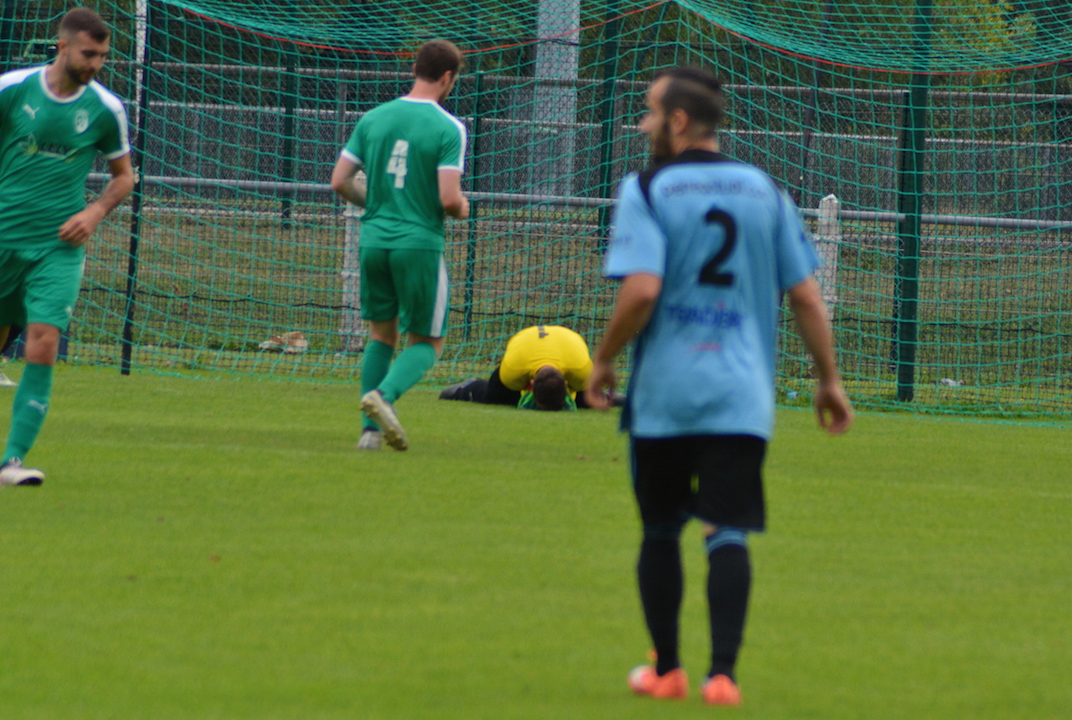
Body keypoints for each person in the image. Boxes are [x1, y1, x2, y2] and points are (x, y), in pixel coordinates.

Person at [586, 67, 853, 705]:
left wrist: (603, 359)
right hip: (741, 398)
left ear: (678, 122)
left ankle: (667, 671)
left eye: (651, 113)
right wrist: (828, 380)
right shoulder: (766, 190)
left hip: (666, 395)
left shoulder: (646, 188)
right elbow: (806, 297)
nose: (643, 125)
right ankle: (723, 678)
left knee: (660, 531)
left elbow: (642, 289)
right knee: (726, 532)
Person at [0, 8, 134, 487]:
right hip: (3, 237)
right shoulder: (12, 89)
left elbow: (124, 177)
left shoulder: (106, 108)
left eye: (103, 56)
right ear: (62, 47)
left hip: (57, 246)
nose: (96, 63)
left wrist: (93, 213)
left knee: (43, 342)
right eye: (88, 53)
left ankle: (11, 462)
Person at [331, 39, 469, 452]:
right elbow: (448, 198)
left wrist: (377, 203)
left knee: (381, 335)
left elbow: (339, 181)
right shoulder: (449, 127)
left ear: (414, 69)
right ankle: (383, 396)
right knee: (427, 342)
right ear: (448, 77)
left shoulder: (373, 118)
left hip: (373, 241)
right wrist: (462, 207)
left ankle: (369, 434)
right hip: (418, 244)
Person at [439, 324, 593, 411]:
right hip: (523, 347)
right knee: (495, 398)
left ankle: (604, 397)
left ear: (566, 384)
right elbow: (510, 387)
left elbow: (590, 387)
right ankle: (467, 388)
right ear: (530, 385)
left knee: (590, 400)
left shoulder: (582, 371)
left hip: (566, 344)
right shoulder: (514, 371)